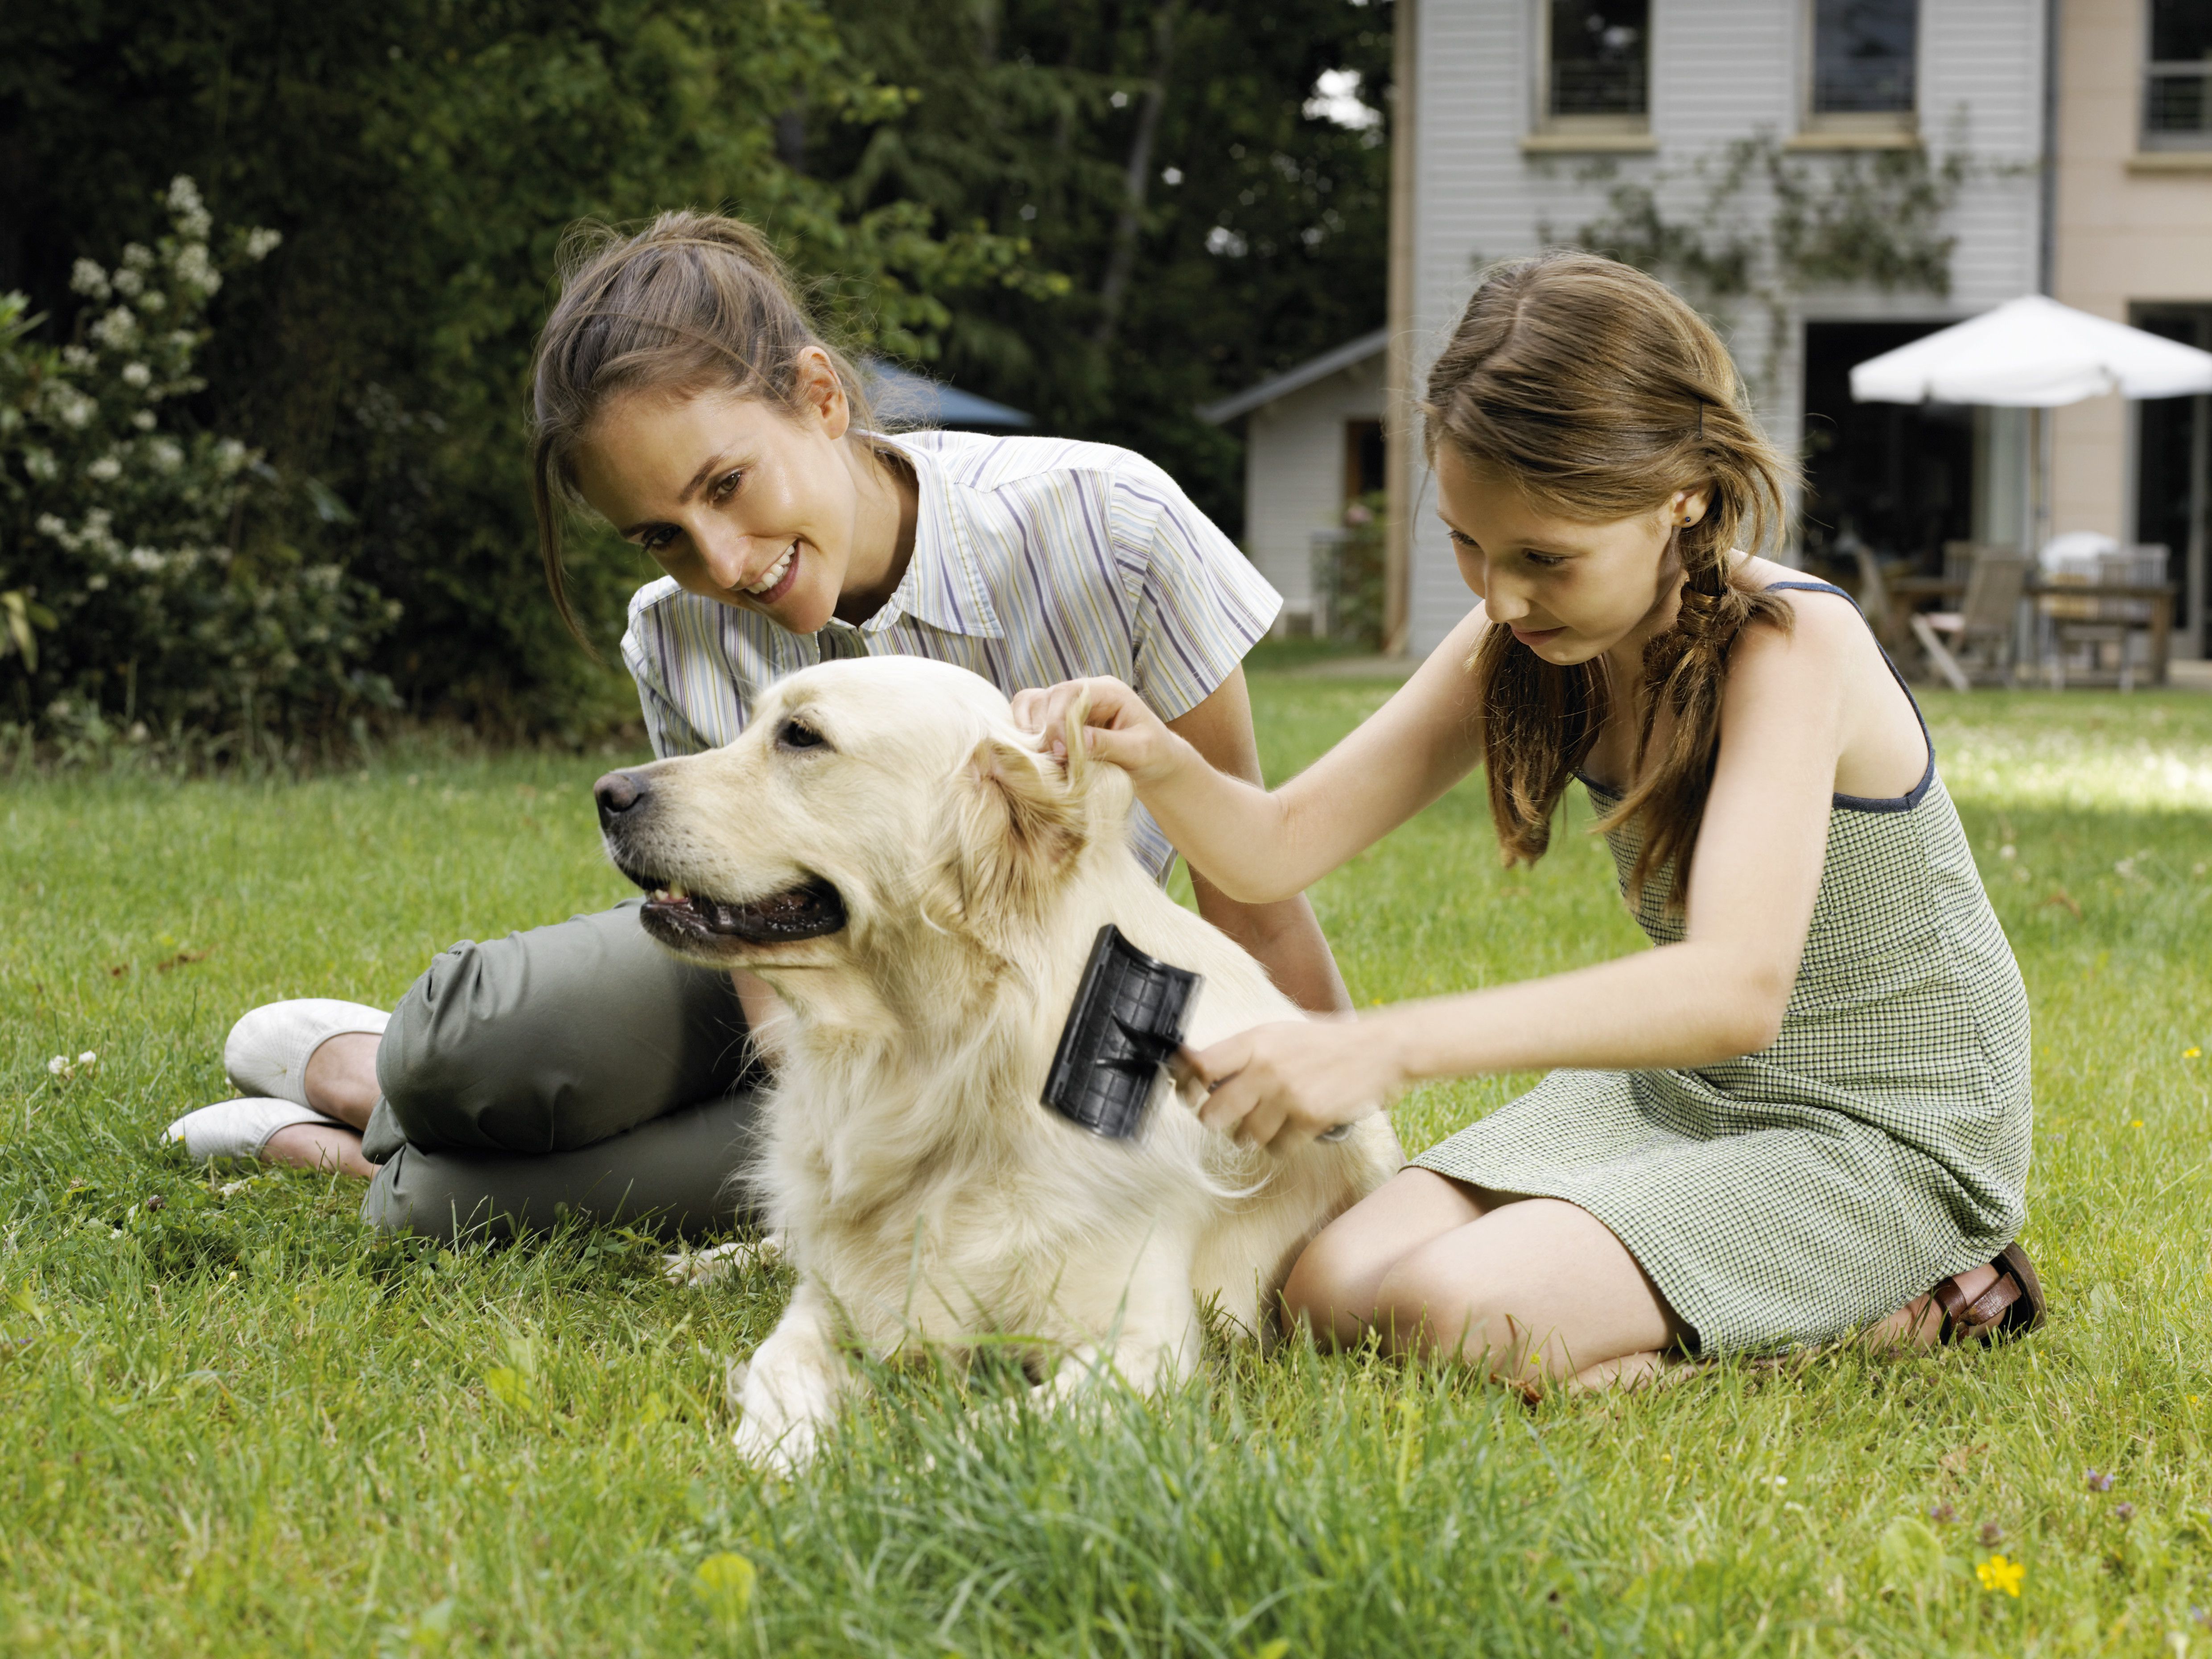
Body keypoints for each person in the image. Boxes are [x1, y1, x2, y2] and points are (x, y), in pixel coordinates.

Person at [165, 210, 1348, 1238]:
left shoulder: (1114, 526)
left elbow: (1243, 879)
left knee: (434, 1208)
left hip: (1062, 998)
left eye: (726, 486)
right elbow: (766, 985)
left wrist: (1341, 1113)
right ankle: (374, 1077)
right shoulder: (678, 633)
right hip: (800, 955)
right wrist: (837, 1121)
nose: (720, 562)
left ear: (822, 397)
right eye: (663, 535)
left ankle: (337, 1145)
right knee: (454, 1058)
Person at [1015, 251, 2040, 1393]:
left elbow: (1733, 991)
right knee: (1323, 1292)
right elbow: (1277, 844)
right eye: (1469, 544)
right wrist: (1155, 758)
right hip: (1681, 1096)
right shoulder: (1533, 635)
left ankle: (1931, 1298)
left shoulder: (1790, 648)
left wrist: (1380, 1046)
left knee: (1460, 1315)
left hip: (1875, 1129)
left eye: (1546, 558)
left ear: (1680, 498)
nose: (1499, 598)